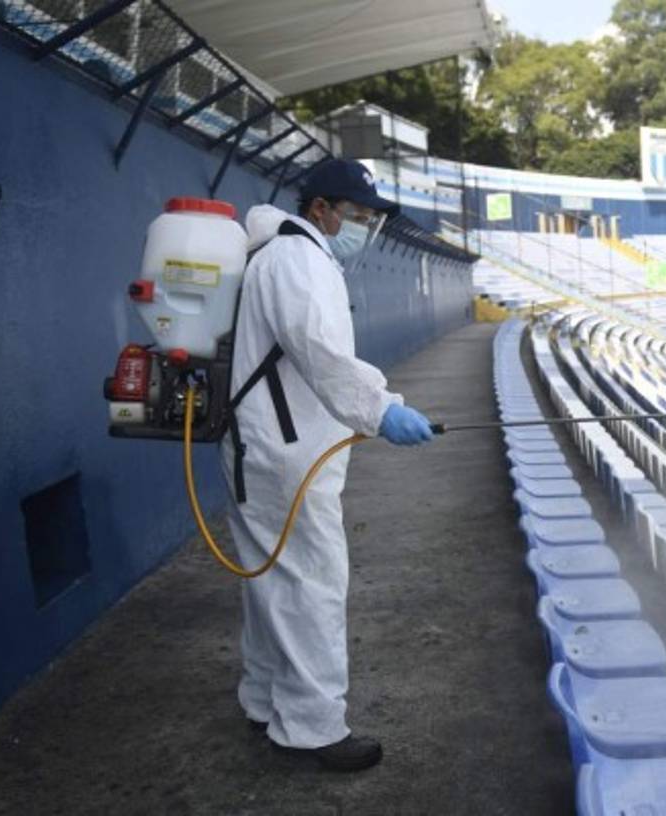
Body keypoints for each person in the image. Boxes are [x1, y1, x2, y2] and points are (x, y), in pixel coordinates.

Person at [220, 159, 433, 772]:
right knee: (310, 584)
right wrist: (382, 409)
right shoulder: (297, 259)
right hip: (283, 453)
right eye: (358, 215)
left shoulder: (286, 255)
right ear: (321, 209)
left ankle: (265, 700)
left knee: (273, 582)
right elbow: (322, 354)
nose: (364, 227)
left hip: (266, 447)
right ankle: (312, 727)